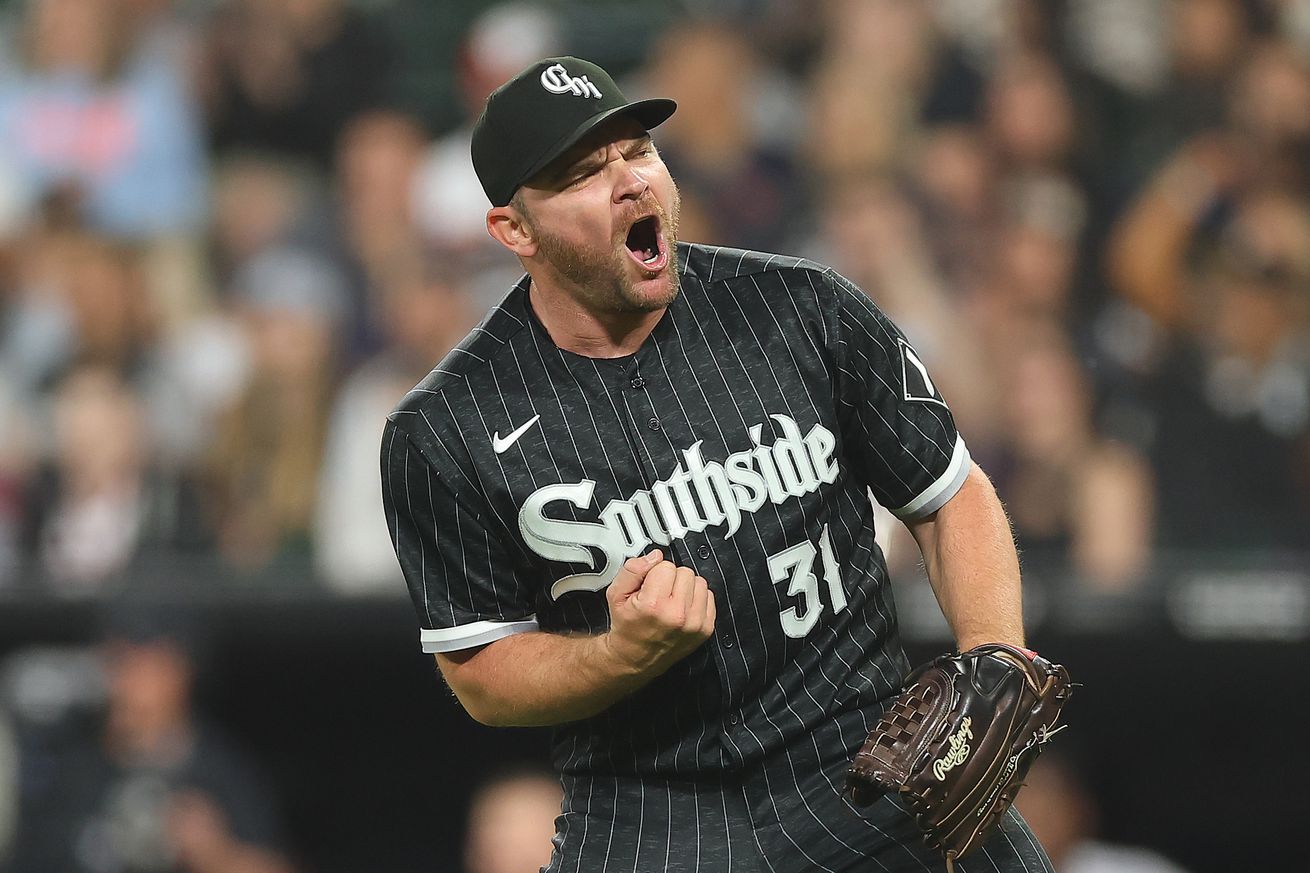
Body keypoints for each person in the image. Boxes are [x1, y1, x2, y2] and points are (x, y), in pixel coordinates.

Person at [382, 57, 1054, 873]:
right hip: (649, 807)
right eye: (585, 173)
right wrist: (614, 653)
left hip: (864, 757)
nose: (630, 182)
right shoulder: (445, 428)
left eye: (638, 150)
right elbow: (482, 673)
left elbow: (947, 493)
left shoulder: (802, 307)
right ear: (515, 230)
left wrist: (996, 656)